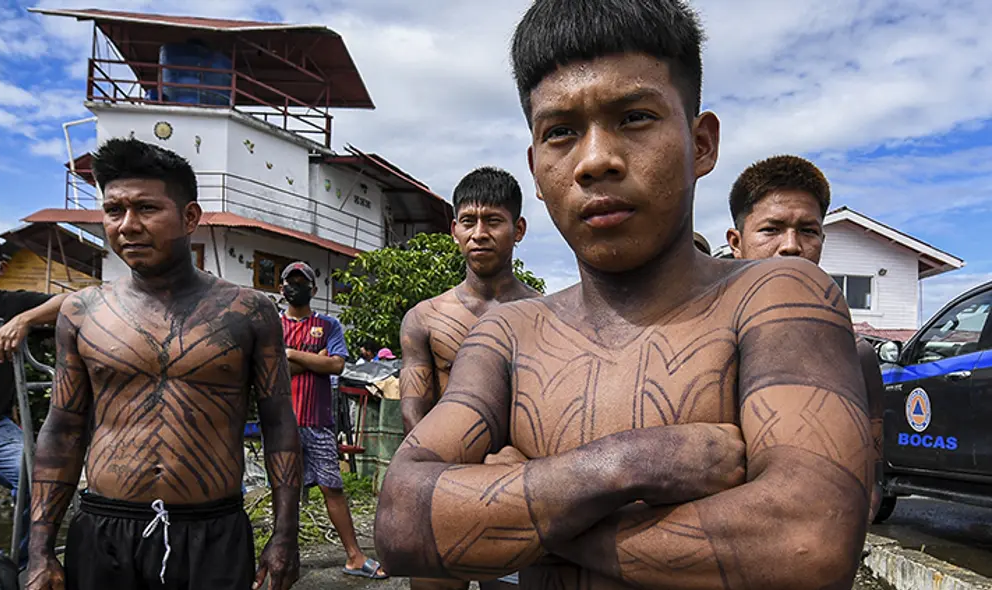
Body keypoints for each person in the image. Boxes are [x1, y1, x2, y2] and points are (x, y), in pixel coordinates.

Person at [375, 1, 872, 589]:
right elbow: (402, 521)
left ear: (701, 143)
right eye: (561, 132)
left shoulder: (776, 297)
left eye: (635, 117)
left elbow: (809, 542)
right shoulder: (510, 334)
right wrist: (628, 465)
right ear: (536, 169)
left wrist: (522, 514)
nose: (595, 161)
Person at [25, 137, 300, 590]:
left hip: (212, 532)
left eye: (146, 208)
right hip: (105, 530)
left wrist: (285, 535)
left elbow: (280, 424)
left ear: (190, 217)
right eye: (114, 210)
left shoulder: (248, 312)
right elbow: (62, 429)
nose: (128, 226)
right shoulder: (82, 312)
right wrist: (39, 548)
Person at [398, 166, 541, 590]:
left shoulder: (547, 317)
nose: (480, 233)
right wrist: (440, 479)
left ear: (518, 229)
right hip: (443, 487)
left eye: (493, 221)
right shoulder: (425, 318)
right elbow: (414, 413)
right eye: (468, 221)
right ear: (454, 231)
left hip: (515, 488)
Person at [725, 153, 886, 523]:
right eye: (771, 229)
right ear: (736, 241)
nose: (791, 245)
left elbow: (871, 482)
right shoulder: (697, 340)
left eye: (808, 231)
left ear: (822, 241)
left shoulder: (855, 354)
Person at [278, 261, 387, 580]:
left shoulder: (329, 325)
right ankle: (284, 558)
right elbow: (271, 370)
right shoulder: (272, 326)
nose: (295, 287)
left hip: (318, 421)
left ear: (314, 290)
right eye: (290, 282)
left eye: (302, 282)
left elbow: (337, 365)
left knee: (332, 487)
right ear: (281, 288)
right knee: (285, 491)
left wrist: (290, 354)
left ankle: (354, 556)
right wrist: (316, 360)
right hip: (281, 423)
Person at [0, 240, 69, 567]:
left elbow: (73, 301)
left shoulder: (10, 304)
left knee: (37, 475)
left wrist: (24, 320)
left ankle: (22, 566)